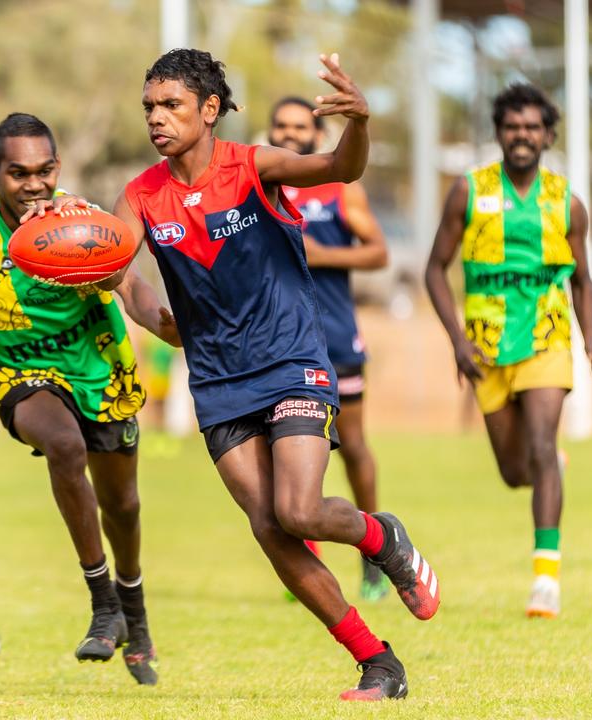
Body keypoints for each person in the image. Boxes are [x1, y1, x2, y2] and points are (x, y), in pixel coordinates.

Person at [112, 49, 439, 702]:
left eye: (171, 104)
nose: (156, 117)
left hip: (290, 362)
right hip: (217, 382)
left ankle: (381, 534)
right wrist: (153, 318)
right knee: (269, 528)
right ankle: (378, 663)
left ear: (209, 111)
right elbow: (118, 268)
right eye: (149, 105)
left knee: (299, 510)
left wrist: (362, 124)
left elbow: (338, 168)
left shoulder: (252, 166)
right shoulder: (141, 194)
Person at [0, 113, 158, 685]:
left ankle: (134, 619)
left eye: (44, 171)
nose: (33, 185)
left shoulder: (86, 222)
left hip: (101, 370)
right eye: (18, 173)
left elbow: (132, 287)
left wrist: (171, 324)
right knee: (64, 446)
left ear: (57, 168)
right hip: (19, 376)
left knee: (125, 507)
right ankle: (102, 604)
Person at [424, 83, 592, 620]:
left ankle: (545, 581)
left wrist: (591, 341)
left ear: (548, 135)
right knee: (514, 470)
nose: (522, 135)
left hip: (546, 339)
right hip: (484, 348)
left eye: (533, 127)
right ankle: (548, 462)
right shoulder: (468, 192)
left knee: (540, 441)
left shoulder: (567, 202)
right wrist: (457, 342)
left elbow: (584, 281)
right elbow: (434, 269)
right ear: (499, 133)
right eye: (513, 126)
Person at [269, 96, 392, 602]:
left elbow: (379, 252)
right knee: (290, 455)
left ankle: (375, 557)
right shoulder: (255, 191)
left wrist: (322, 254)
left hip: (336, 338)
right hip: (278, 345)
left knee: (354, 446)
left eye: (301, 126)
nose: (291, 132)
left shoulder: (340, 192)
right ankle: (308, 565)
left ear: (317, 135)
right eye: (282, 125)